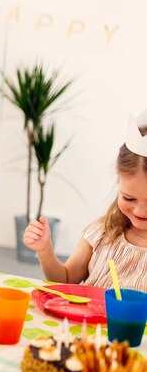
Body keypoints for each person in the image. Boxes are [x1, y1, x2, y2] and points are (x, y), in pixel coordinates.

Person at [23, 117, 147, 292]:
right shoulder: (102, 233)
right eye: (129, 198)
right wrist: (45, 250)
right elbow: (65, 280)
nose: (140, 210)